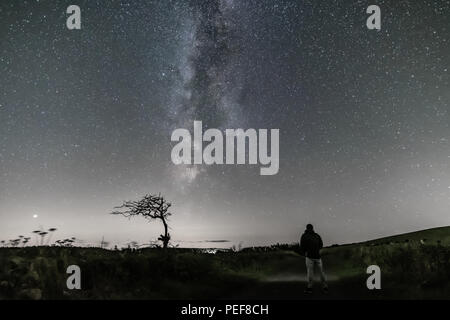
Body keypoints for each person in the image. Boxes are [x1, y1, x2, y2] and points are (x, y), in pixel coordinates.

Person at [300, 224, 328, 294]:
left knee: (310, 273)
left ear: (306, 228)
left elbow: (302, 246)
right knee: (321, 272)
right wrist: (316, 250)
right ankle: (325, 287)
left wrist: (305, 252)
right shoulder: (317, 235)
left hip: (310, 256)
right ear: (312, 228)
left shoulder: (304, 236)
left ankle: (310, 288)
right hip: (317, 256)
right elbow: (321, 245)